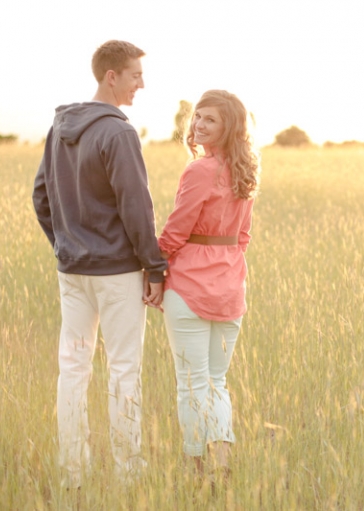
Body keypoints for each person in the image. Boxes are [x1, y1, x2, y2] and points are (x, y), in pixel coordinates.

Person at [32, 40, 167, 489]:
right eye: (135, 75)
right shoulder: (120, 132)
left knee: (72, 369)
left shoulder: (59, 127)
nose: (141, 84)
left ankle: (73, 471)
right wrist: (154, 267)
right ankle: (129, 473)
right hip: (116, 273)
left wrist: (66, 244)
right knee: (124, 368)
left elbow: (41, 196)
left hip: (72, 271)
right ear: (112, 76)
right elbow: (136, 206)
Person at [157, 90, 260, 482]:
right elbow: (243, 236)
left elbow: (176, 230)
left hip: (189, 287)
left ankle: (196, 467)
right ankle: (220, 463)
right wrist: (226, 264)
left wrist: (156, 266)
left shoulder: (199, 170)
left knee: (191, 384)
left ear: (227, 127)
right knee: (216, 381)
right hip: (231, 287)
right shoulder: (246, 169)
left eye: (209, 120)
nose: (198, 124)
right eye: (197, 117)